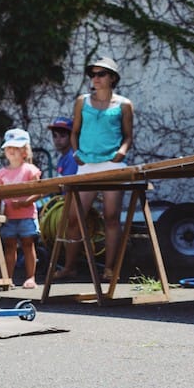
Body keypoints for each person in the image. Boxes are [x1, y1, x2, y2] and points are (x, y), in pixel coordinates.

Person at [55, 57, 134, 282]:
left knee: (111, 217)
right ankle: (69, 266)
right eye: (93, 74)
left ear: (112, 77)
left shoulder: (124, 104)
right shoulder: (82, 101)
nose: (95, 78)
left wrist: (122, 152)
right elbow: (75, 131)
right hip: (86, 165)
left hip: (112, 164)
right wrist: (76, 153)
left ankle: (109, 270)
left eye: (101, 74)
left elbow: (128, 135)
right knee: (73, 217)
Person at [0, 128, 42, 288]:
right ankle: (8, 279)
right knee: (9, 247)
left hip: (27, 215)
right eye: (9, 147)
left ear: (25, 151)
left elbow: (38, 192)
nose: (11, 151)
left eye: (16, 147)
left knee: (28, 245)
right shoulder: (1, 174)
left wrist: (24, 203)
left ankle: (31, 277)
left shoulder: (31, 170)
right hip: (8, 217)